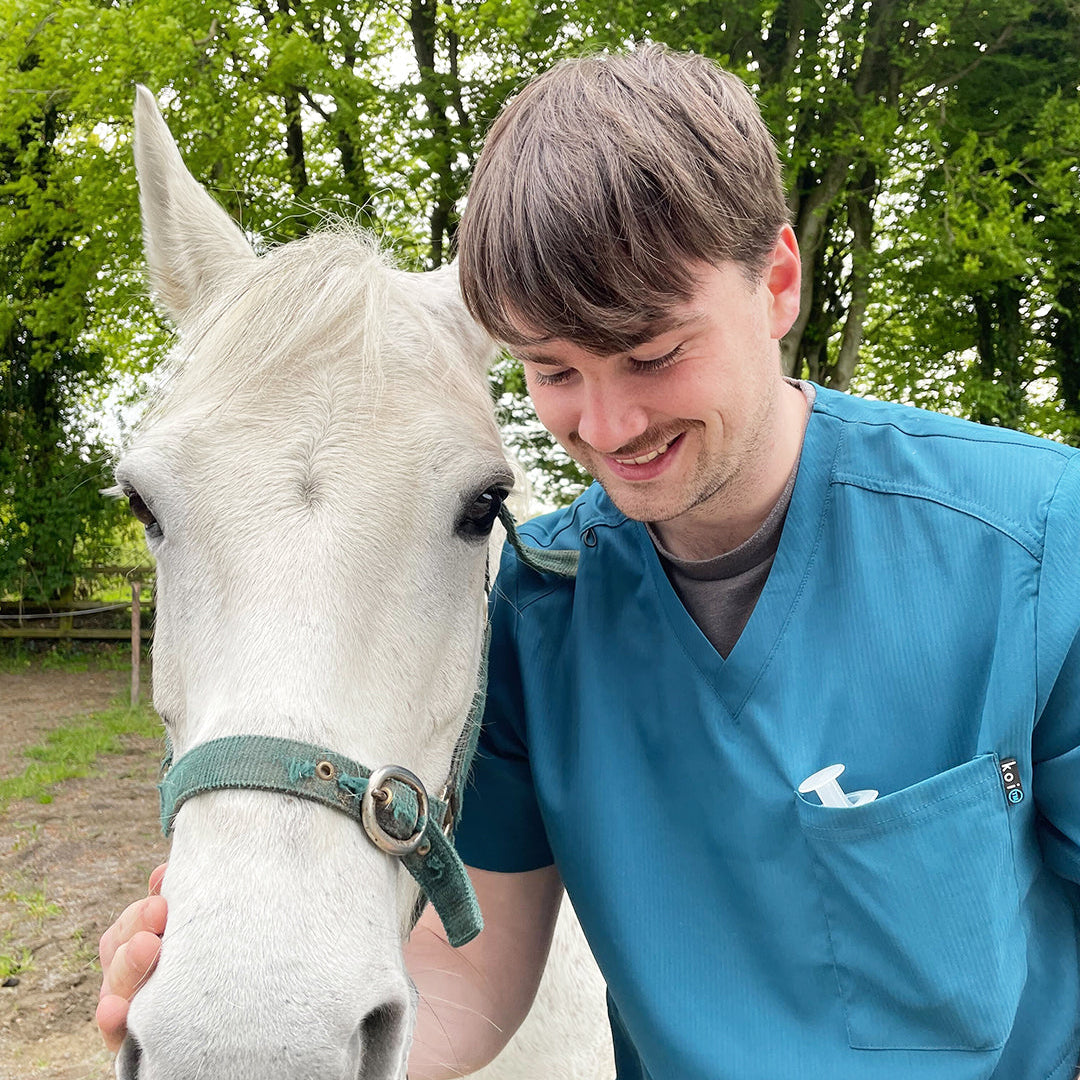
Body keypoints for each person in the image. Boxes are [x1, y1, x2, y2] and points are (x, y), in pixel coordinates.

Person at [99, 43, 1080, 1079]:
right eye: (555, 370)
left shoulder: (1036, 543)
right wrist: (277, 1035)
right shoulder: (537, 610)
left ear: (779, 281)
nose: (609, 427)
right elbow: (482, 973)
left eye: (655, 354)